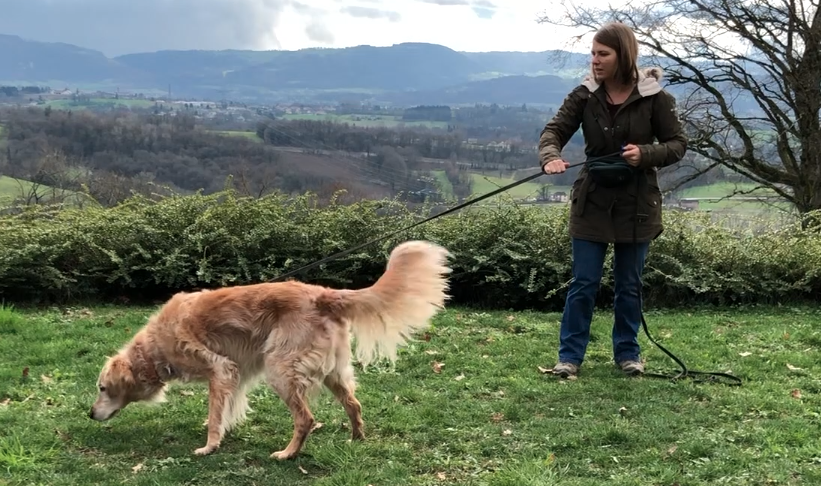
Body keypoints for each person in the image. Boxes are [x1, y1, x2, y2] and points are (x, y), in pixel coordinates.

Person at [538, 22, 687, 379]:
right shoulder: (584, 95)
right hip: (591, 201)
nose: (595, 61)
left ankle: (628, 354)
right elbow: (554, 131)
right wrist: (550, 156)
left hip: (637, 204)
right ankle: (569, 358)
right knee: (584, 283)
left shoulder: (656, 98)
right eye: (592, 53)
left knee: (629, 284)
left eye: (602, 54)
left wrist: (646, 153)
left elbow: (678, 144)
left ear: (624, 55)